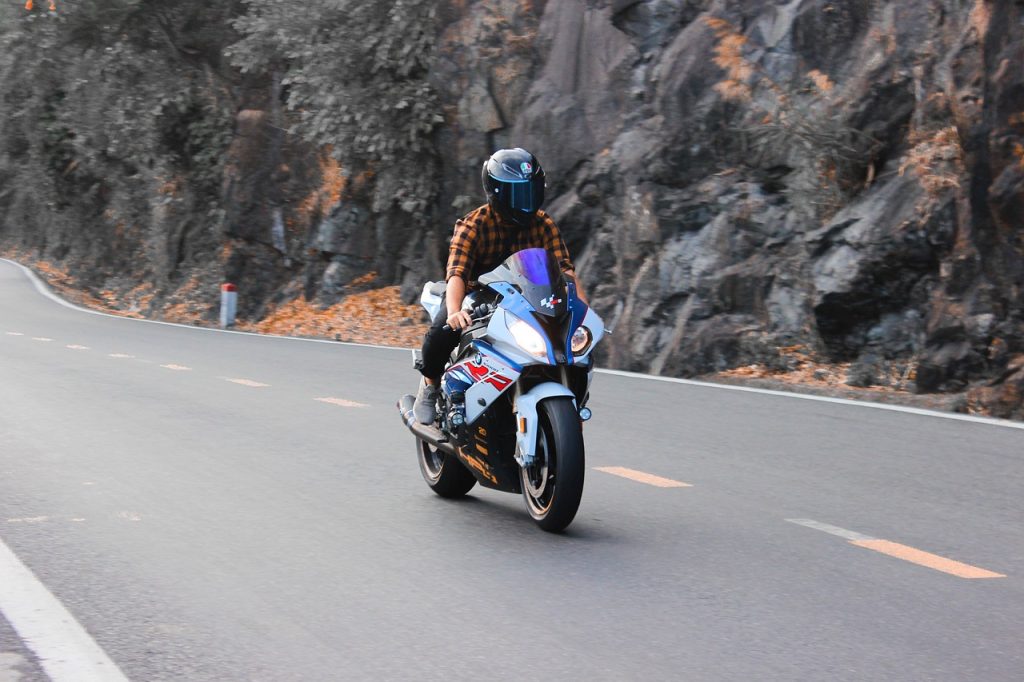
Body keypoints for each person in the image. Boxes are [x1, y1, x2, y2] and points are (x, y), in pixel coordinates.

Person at [414, 148, 586, 424]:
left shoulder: (543, 224)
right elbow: (457, 273)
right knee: (440, 332)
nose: (527, 202)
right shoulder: (473, 225)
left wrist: (581, 309)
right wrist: (455, 310)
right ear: (497, 194)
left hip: (526, 298)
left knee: (570, 345)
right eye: (519, 194)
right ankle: (430, 386)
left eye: (531, 191)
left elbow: (565, 270)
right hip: (475, 296)